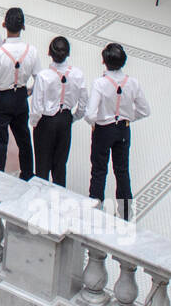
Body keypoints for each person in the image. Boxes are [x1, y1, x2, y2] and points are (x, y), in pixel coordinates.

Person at [84, 43, 150, 220]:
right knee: (122, 171)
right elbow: (145, 110)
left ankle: (95, 210)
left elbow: (90, 114)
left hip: (103, 130)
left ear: (104, 61)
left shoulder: (100, 83)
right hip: (123, 130)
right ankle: (126, 213)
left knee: (99, 170)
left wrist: (96, 122)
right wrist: (128, 117)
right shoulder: (133, 83)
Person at [0, 7, 41, 179]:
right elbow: (40, 78)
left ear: (4, 25)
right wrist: (30, 90)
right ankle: (28, 174)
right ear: (23, 27)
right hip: (20, 97)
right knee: (24, 138)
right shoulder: (32, 51)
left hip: (1, 98)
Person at [30, 36, 87, 187]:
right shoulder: (77, 74)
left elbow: (36, 105)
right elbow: (83, 103)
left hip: (46, 122)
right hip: (65, 119)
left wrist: (34, 122)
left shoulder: (43, 76)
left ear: (50, 53)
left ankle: (40, 197)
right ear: (68, 54)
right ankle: (59, 199)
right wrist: (73, 117)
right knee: (60, 164)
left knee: (42, 164)